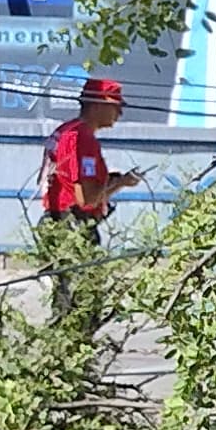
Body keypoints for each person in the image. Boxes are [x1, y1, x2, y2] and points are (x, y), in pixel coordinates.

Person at [38, 73, 138, 305]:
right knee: (82, 304)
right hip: (72, 225)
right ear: (97, 105)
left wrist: (112, 180)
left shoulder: (67, 130)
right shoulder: (80, 138)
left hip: (58, 222)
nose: (119, 113)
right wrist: (121, 183)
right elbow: (86, 199)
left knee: (68, 300)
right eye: (115, 106)